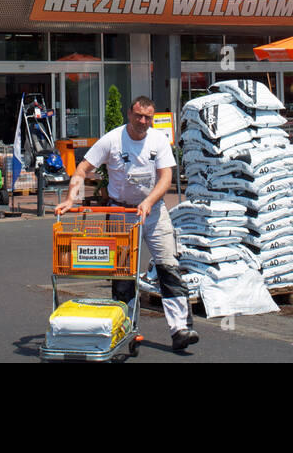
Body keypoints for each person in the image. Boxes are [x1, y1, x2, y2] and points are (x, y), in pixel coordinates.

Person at [56, 96, 199, 353]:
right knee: (123, 273)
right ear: (129, 114)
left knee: (169, 266)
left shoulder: (158, 140)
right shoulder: (112, 140)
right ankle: (127, 327)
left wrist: (148, 202)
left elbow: (166, 177)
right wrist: (70, 199)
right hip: (121, 213)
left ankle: (180, 329)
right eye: (138, 116)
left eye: (148, 117)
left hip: (153, 212)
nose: (143, 122)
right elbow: (82, 169)